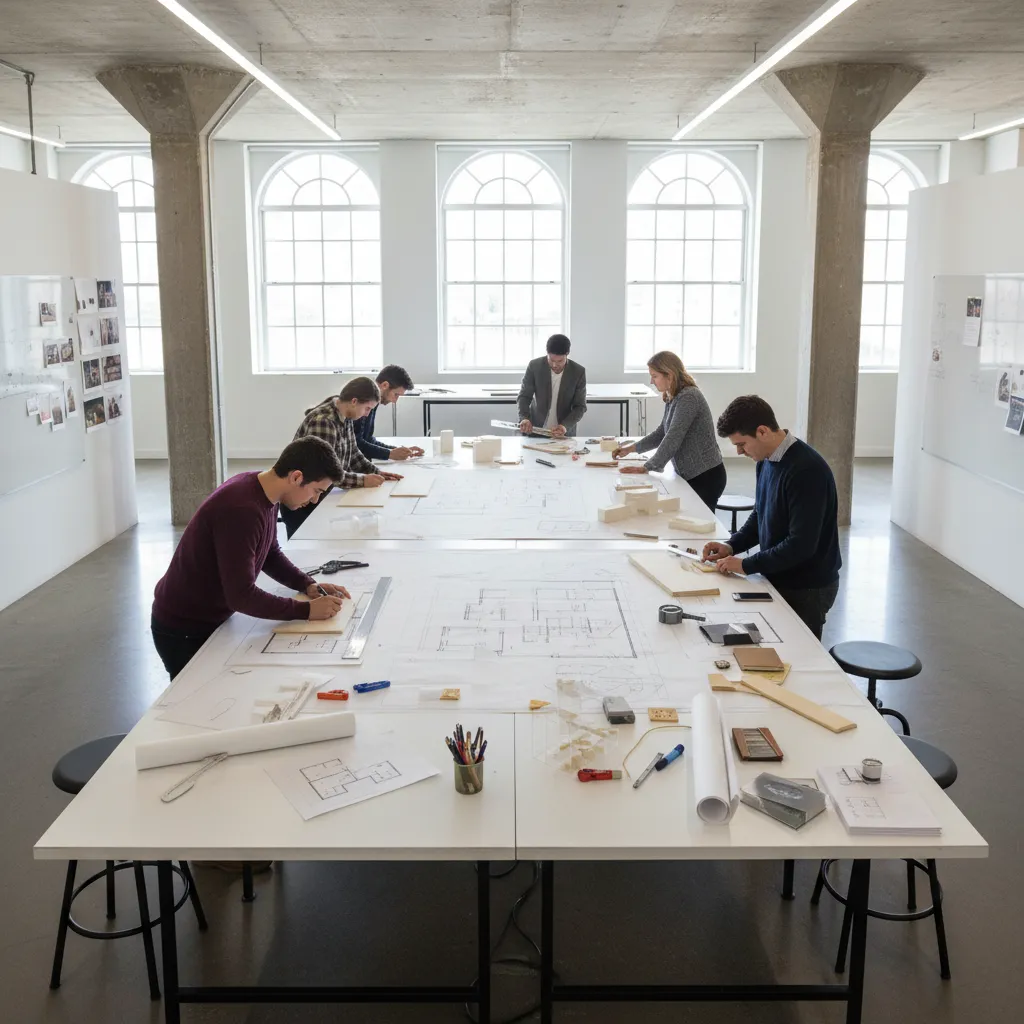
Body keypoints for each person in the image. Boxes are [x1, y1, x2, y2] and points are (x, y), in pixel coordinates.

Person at [151, 436, 351, 680]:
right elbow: (241, 596)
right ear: (296, 477)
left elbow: (269, 552)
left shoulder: (266, 491)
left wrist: (306, 584)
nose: (314, 500)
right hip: (184, 628)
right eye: (316, 491)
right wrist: (306, 610)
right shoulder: (241, 509)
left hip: (207, 619)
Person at [702, 395, 841, 640]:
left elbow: (801, 545)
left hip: (808, 586)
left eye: (742, 444)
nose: (739, 451)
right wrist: (731, 545)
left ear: (763, 431)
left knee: (799, 654)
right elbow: (761, 515)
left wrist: (746, 565)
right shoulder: (765, 461)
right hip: (779, 573)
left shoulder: (806, 471)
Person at [280, 376, 403, 539]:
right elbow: (325, 473)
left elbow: (353, 452)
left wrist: (376, 472)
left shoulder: (345, 415)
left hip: (317, 496)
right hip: (301, 502)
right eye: (367, 408)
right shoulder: (324, 422)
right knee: (306, 553)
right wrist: (363, 480)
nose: (367, 414)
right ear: (354, 401)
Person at [612, 351, 726, 511]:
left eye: (654, 376)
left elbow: (673, 436)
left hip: (705, 475)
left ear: (669, 375)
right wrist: (631, 449)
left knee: (699, 526)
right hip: (691, 474)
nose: (651, 381)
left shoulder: (689, 397)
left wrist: (648, 466)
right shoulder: (675, 396)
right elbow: (662, 432)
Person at [517, 334, 587, 438]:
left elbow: (580, 407)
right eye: (551, 360)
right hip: (535, 430)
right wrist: (524, 418)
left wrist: (564, 426)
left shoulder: (578, 372)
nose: (555, 365)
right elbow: (524, 396)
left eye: (559, 361)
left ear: (567, 354)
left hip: (563, 433)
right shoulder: (534, 366)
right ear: (547, 353)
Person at [354, 364, 424, 462]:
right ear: (384, 385)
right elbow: (357, 444)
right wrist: (390, 454)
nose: (395, 401)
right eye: (396, 394)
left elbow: (368, 439)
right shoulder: (363, 401)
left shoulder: (373, 400)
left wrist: (398, 451)